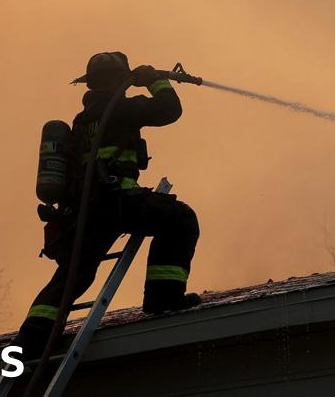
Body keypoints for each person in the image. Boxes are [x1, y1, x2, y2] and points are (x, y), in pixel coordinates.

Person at [11, 52, 201, 360]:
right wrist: (155, 80)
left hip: (85, 212)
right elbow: (170, 110)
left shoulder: (82, 119)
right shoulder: (121, 109)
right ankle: (163, 297)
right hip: (119, 201)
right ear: (117, 80)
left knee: (75, 275)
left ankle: (30, 338)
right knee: (181, 219)